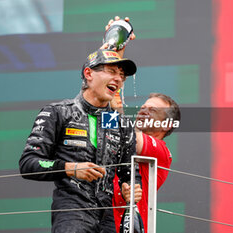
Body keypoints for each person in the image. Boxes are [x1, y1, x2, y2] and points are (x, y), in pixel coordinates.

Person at [19, 41, 143, 231]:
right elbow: (28, 163)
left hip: (107, 217)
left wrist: (131, 187)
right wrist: (70, 168)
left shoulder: (119, 122)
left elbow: (129, 171)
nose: (118, 79)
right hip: (72, 211)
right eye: (111, 72)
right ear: (88, 74)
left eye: (122, 76)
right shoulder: (59, 112)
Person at [111, 92, 181, 233]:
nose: (144, 111)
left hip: (128, 227)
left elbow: (131, 139)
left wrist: (115, 111)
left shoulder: (162, 152)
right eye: (143, 107)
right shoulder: (117, 138)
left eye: (152, 110)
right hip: (98, 221)